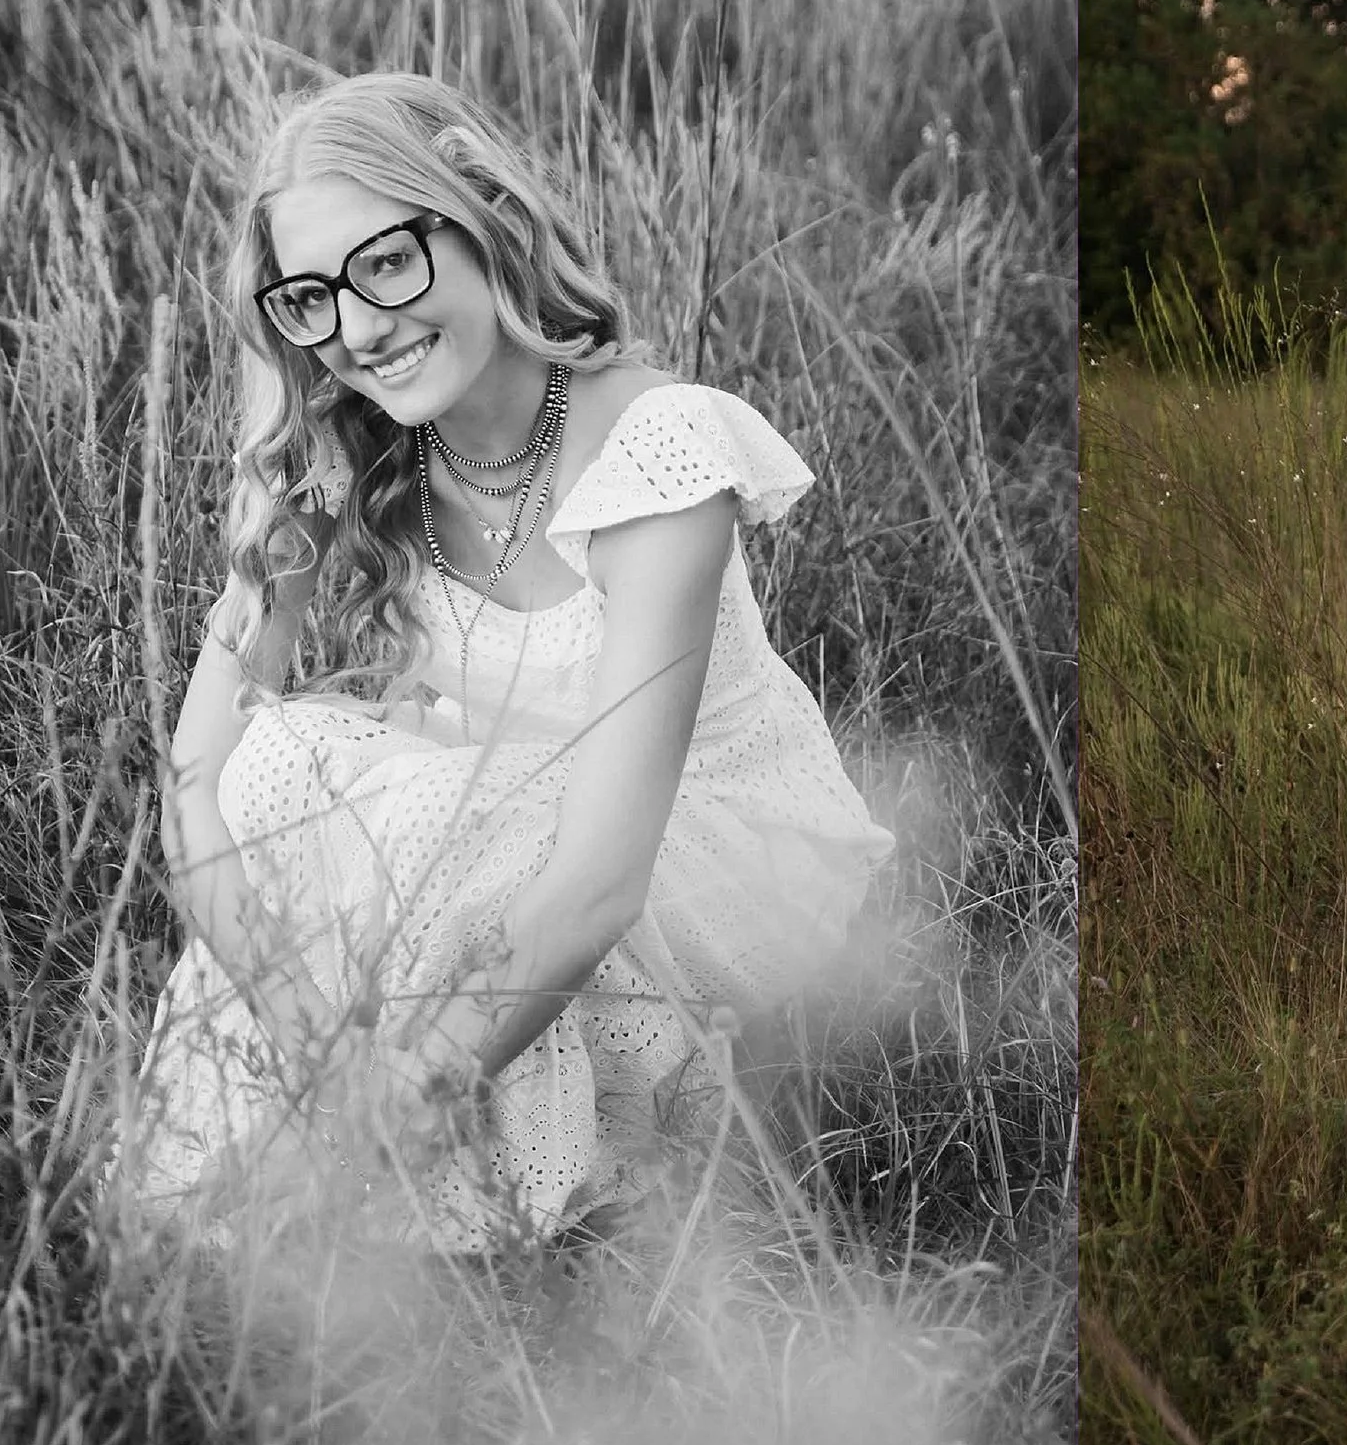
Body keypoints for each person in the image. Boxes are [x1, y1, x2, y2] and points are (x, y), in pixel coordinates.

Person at [118, 73, 893, 1252]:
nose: (359, 330)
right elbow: (196, 789)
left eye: (387, 261)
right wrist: (312, 1050)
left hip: (701, 856)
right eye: (313, 297)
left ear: (484, 218)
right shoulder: (342, 456)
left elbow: (597, 884)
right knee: (281, 771)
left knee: (441, 816)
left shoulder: (655, 450)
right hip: (506, 826)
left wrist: (368, 1128)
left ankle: (429, 1194)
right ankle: (286, 1174)